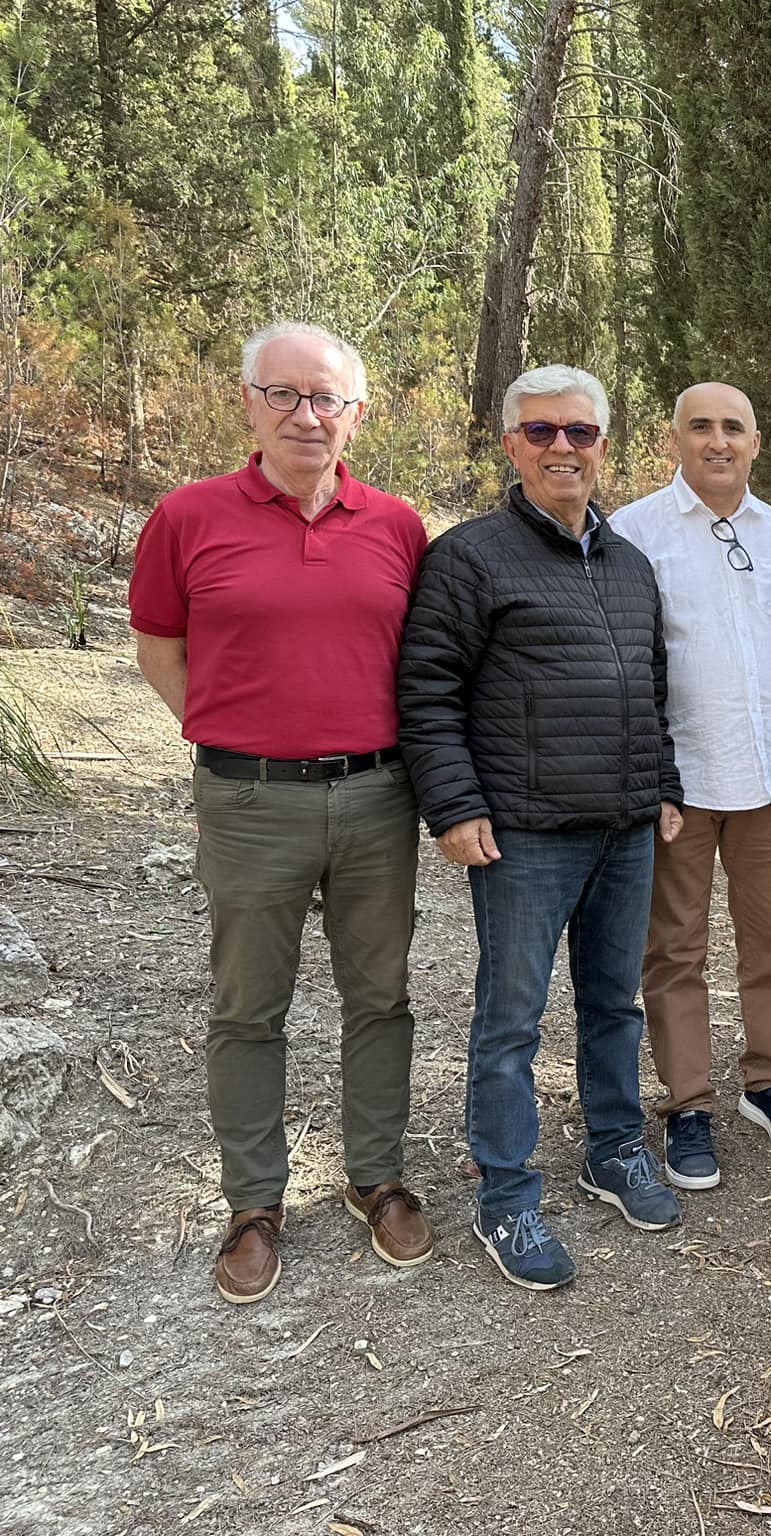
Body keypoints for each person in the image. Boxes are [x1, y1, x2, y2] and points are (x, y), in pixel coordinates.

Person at [128, 320, 431, 1305]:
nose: (308, 415)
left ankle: (375, 1177)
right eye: (287, 395)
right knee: (248, 1007)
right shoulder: (188, 516)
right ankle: (254, 1203)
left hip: (379, 795)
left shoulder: (396, 525)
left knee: (378, 995)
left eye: (328, 399)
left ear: (357, 415)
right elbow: (160, 648)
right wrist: (233, 738)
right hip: (249, 799)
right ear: (249, 402)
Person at [398, 365, 686, 1292]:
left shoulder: (632, 564)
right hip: (522, 833)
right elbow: (428, 692)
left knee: (615, 1004)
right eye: (541, 432)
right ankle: (508, 1196)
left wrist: (664, 786)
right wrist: (455, 805)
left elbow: (650, 691)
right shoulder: (469, 558)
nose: (562, 447)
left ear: (605, 443)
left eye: (580, 432)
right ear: (511, 444)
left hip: (626, 826)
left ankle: (612, 1148)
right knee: (511, 1020)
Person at [609, 382, 771, 1190]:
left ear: (755, 443)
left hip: (770, 778)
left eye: (733, 429)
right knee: (674, 951)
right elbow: (621, 665)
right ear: (673, 438)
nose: (718, 441)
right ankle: (687, 1106)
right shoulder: (632, 533)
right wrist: (650, 776)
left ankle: (769, 1082)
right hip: (680, 780)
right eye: (701, 427)